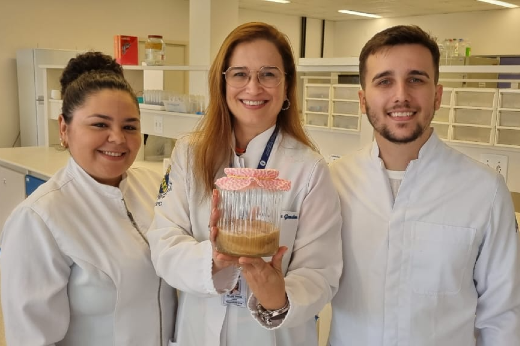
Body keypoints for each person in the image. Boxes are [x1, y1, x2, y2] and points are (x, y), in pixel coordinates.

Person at [147, 22, 342, 346]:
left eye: (268, 74)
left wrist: (278, 297)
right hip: (200, 332)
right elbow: (163, 241)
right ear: (222, 82)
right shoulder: (189, 153)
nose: (253, 88)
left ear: (286, 85)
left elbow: (321, 272)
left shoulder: (309, 169)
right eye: (239, 74)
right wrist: (213, 260)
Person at [329, 25, 520, 345]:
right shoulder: (332, 182)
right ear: (363, 100)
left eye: (416, 79)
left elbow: (503, 315)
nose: (401, 94)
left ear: (438, 95)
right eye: (384, 81)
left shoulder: (484, 190)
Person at [0, 52, 176, 345]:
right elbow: (31, 338)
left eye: (130, 126)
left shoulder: (153, 187)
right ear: (64, 129)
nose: (118, 138)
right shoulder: (39, 219)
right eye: (100, 124)